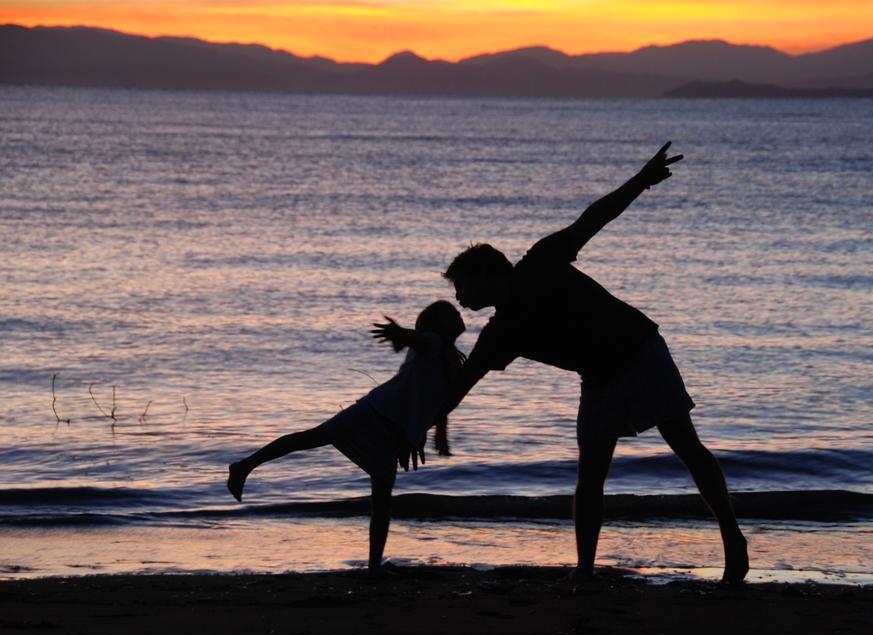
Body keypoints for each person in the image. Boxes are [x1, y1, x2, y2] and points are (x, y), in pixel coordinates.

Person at [442, 142, 748, 583]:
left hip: (639, 349)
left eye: (462, 285)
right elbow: (463, 382)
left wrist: (641, 181)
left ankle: (732, 537)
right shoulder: (498, 335)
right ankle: (585, 570)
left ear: (489, 274)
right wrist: (427, 423)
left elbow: (594, 219)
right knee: (591, 474)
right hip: (600, 377)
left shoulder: (540, 262)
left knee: (686, 446)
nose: (458, 297)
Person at [227, 300, 466, 576]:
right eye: (453, 313)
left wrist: (425, 436)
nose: (460, 316)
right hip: (373, 414)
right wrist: (400, 333)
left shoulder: (449, 358)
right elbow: (420, 341)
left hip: (392, 430)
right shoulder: (433, 343)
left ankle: (374, 567)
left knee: (382, 499)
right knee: (312, 438)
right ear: (439, 325)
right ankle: (243, 466)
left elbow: (437, 402)